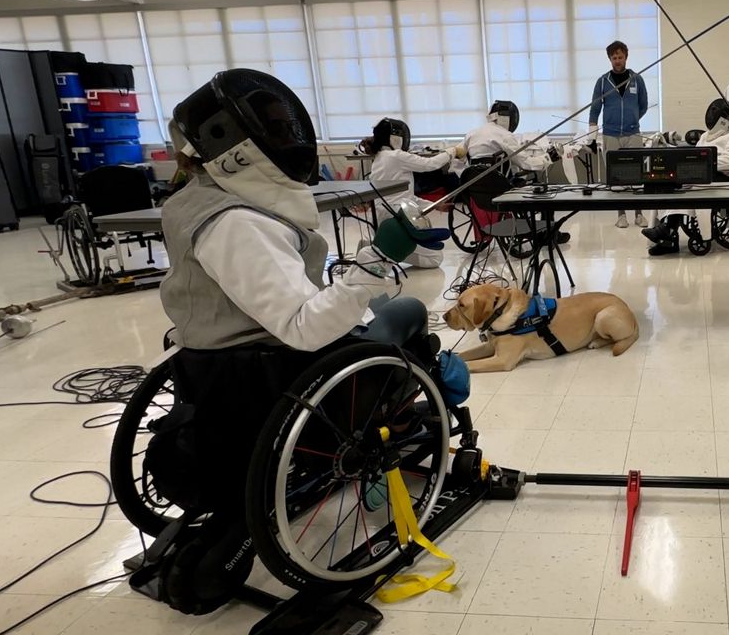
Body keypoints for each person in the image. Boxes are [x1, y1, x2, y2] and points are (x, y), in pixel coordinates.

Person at [156, 69, 459, 612]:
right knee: (409, 310)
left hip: (220, 360)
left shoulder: (191, 200)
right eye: (276, 128)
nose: (290, 137)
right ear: (237, 147)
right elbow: (303, 326)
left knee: (380, 306)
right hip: (276, 369)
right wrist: (377, 260)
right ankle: (418, 408)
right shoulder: (235, 224)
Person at [641, 98, 729, 255]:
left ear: (726, 120)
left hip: (719, 181)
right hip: (699, 176)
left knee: (688, 192)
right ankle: (668, 237)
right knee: (666, 185)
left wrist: (704, 163)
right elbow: (694, 156)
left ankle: (668, 229)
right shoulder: (705, 137)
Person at [458, 100, 565, 243]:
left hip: (477, 193)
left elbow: (457, 160)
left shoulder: (471, 134)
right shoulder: (505, 136)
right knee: (544, 191)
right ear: (509, 118)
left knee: (515, 178)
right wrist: (549, 157)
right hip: (501, 191)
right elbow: (527, 163)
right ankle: (548, 235)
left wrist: (468, 179)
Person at [365, 117, 454, 269]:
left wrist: (435, 205)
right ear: (395, 137)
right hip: (396, 217)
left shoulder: (379, 158)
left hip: (386, 215)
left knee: (430, 241)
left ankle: (383, 247)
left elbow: (406, 197)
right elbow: (430, 164)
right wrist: (451, 152)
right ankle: (381, 251)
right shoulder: (396, 156)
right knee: (435, 259)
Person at [587, 40, 649, 228]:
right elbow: (595, 109)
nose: (617, 61)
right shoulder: (602, 81)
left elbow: (643, 105)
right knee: (617, 176)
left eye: (620, 57)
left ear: (626, 57)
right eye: (614, 58)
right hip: (611, 134)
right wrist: (592, 136)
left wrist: (632, 120)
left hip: (633, 133)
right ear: (610, 59)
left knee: (638, 175)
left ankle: (639, 214)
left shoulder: (636, 79)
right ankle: (621, 214)